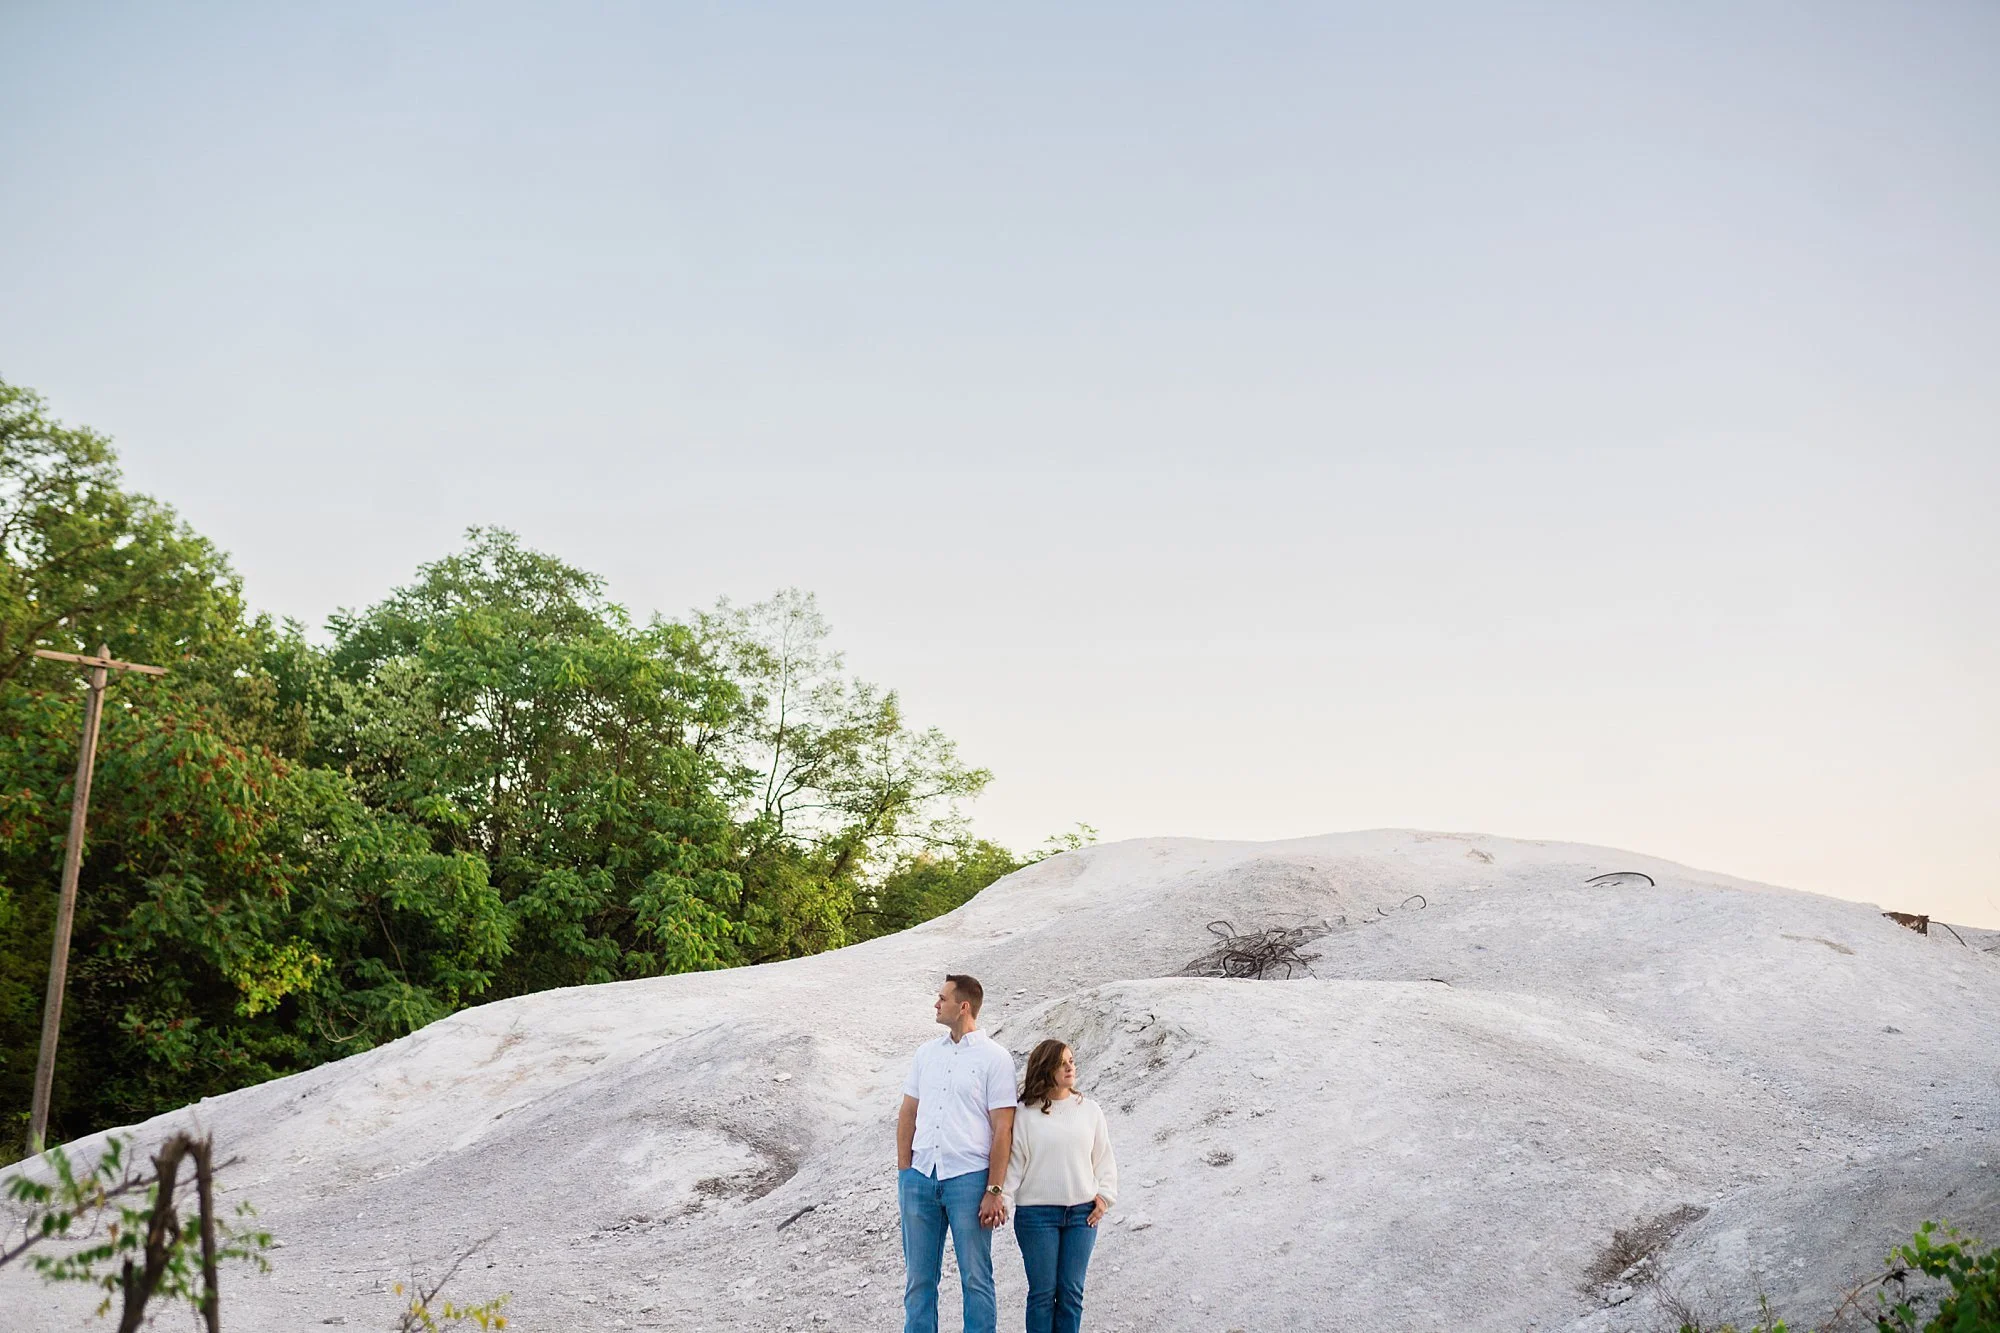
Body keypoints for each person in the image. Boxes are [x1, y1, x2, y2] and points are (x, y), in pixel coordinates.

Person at [898, 973, 1017, 1333]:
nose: (936, 1004)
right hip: (921, 1178)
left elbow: (1003, 1129)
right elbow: (908, 1112)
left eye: (942, 998)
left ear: (963, 1006)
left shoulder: (995, 1058)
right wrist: (906, 1172)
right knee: (919, 1281)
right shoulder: (926, 1054)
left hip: (968, 1179)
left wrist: (994, 1190)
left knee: (976, 1278)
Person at [1003, 1040, 1117, 1333]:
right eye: (1062, 1062)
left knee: (1071, 1293)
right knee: (1042, 1294)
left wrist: (1104, 1197)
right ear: (1045, 1068)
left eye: (1072, 1060)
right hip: (1036, 1217)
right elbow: (1014, 1164)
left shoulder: (1090, 1110)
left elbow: (1103, 1158)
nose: (1070, 1067)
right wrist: (1000, 1199)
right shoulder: (1025, 1114)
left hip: (1082, 1216)